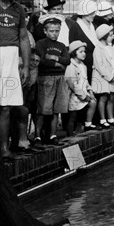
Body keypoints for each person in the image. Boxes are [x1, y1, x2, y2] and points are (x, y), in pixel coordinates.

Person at [0, 0, 31, 160]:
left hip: (11, 58)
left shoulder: (18, 9)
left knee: (5, 107)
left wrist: (26, 66)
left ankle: (3, 149)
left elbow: (23, 38)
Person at [34, 17, 69, 146]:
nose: (54, 33)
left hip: (59, 78)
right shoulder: (41, 44)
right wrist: (57, 64)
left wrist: (54, 57)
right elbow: (41, 61)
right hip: (46, 78)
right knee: (43, 108)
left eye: (57, 31)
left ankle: (53, 135)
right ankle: (37, 137)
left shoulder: (61, 46)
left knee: (56, 109)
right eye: (52, 31)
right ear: (45, 31)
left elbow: (67, 61)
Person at [64, 41, 99, 133]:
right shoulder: (71, 66)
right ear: (74, 53)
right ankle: (70, 135)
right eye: (81, 52)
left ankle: (87, 124)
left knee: (92, 104)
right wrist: (83, 96)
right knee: (73, 116)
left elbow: (85, 80)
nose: (84, 54)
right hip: (74, 95)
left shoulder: (83, 66)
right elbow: (72, 84)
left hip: (84, 92)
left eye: (84, 52)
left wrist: (90, 90)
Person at [92, 24, 114, 128]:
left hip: (113, 76)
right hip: (103, 77)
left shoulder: (110, 48)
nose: (112, 36)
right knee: (103, 97)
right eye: (110, 35)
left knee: (111, 98)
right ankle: (102, 119)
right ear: (104, 36)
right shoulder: (98, 49)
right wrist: (109, 77)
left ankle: (111, 118)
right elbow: (99, 65)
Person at [69, 0, 100, 83]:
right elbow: (72, 48)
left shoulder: (93, 25)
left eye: (94, 12)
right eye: (91, 13)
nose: (93, 15)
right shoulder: (75, 27)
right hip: (82, 65)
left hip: (95, 64)